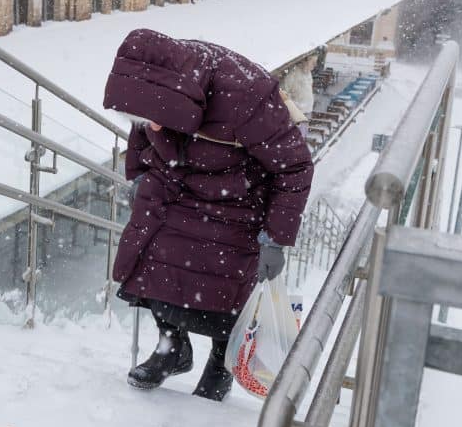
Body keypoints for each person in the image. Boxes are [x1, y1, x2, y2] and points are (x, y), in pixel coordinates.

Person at [102, 29, 314, 401]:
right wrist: (136, 177)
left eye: (154, 119)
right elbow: (141, 134)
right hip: (177, 186)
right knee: (150, 255)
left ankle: (221, 363)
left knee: (226, 284)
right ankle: (172, 348)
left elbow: (293, 167)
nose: (149, 125)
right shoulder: (156, 91)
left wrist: (275, 238)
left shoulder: (246, 97)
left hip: (238, 198)